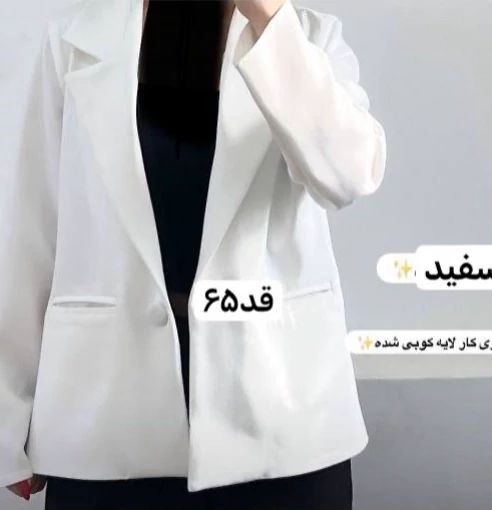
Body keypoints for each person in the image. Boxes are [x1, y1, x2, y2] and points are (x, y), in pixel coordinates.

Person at [0, 0, 386, 508]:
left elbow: (349, 176)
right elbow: (34, 233)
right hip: (103, 420)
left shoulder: (311, 38)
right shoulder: (73, 44)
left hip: (283, 421)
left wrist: (270, 20)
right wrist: (8, 420)